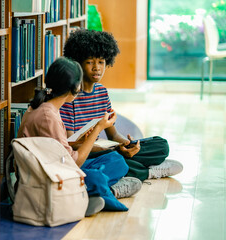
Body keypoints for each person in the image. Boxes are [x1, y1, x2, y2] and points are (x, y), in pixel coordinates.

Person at [17, 57, 142, 216]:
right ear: (75, 88)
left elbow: (56, 147)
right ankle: (99, 193)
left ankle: (96, 192)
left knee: (117, 160)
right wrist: (97, 129)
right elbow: (73, 163)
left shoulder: (48, 108)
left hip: (54, 166)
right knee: (95, 177)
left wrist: (78, 141)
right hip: (48, 177)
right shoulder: (48, 116)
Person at [60, 29, 183, 182]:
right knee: (114, 159)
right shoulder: (69, 97)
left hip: (104, 148)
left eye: (101, 62)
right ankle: (146, 172)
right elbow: (71, 145)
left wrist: (128, 144)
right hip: (86, 152)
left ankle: (130, 164)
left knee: (161, 145)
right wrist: (113, 150)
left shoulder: (102, 92)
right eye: (90, 62)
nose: (97, 68)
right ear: (78, 63)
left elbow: (113, 135)